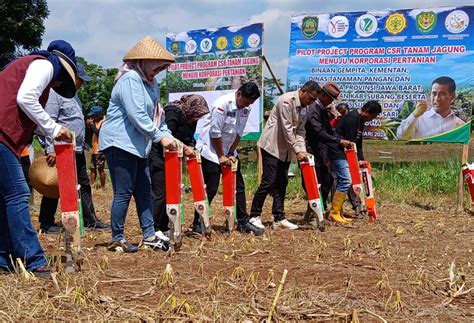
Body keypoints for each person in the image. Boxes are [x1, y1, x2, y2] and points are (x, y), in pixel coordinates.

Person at [99, 36, 190, 253]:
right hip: (120, 143)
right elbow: (138, 115)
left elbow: (157, 118)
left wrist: (174, 141)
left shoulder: (151, 84)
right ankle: (117, 238)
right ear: (144, 61)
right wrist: (160, 138)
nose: (158, 70)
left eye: (162, 67)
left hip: (139, 146)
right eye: (156, 66)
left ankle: (149, 234)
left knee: (144, 190)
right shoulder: (130, 78)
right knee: (123, 191)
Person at [0, 40, 77, 276]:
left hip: (6, 139)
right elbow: (26, 99)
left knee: (5, 198)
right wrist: (54, 129)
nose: (58, 84)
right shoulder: (45, 65)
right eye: (61, 80)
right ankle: (32, 258)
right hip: (2, 136)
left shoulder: (27, 65)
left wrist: (48, 133)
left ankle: (3, 259)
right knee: (17, 194)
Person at [39, 63, 110, 234]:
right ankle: (46, 222)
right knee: (54, 184)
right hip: (61, 149)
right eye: (80, 80)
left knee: (83, 184)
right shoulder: (55, 95)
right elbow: (49, 122)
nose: (82, 83)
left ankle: (90, 219)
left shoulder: (74, 96)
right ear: (71, 77)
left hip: (76, 149)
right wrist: (51, 150)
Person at [195, 82, 264, 235]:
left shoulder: (247, 107)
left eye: (250, 103)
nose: (246, 106)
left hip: (228, 151)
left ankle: (243, 222)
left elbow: (239, 132)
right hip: (211, 151)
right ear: (239, 94)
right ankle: (198, 222)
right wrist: (220, 156)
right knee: (210, 188)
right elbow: (215, 133)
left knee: (238, 186)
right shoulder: (222, 104)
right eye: (245, 102)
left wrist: (231, 153)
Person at [249, 80, 319, 231]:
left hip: (286, 150)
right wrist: (297, 150)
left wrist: (301, 149)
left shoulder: (305, 109)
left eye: (314, 100)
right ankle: (254, 216)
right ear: (303, 90)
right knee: (268, 181)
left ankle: (279, 218)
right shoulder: (286, 101)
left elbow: (300, 131)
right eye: (311, 98)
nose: (312, 102)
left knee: (282, 183)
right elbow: (287, 129)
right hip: (272, 147)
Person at [149, 94, 209, 240]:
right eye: (196, 113)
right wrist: (183, 147)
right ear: (190, 107)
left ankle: (164, 226)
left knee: (172, 192)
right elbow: (165, 136)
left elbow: (189, 137)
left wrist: (191, 147)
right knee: (160, 192)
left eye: (198, 115)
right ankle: (153, 228)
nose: (196, 118)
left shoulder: (190, 117)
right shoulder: (172, 112)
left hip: (174, 156)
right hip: (158, 154)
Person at [304, 81, 352, 224]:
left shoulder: (323, 110)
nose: (331, 102)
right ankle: (314, 215)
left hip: (322, 151)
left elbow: (328, 131)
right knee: (316, 183)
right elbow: (318, 131)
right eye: (330, 99)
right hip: (312, 150)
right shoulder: (313, 109)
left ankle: (316, 212)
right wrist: (338, 141)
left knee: (327, 181)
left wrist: (338, 140)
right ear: (323, 95)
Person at [329, 100, 382, 223]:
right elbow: (349, 141)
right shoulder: (352, 118)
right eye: (372, 116)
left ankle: (338, 212)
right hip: (338, 152)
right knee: (345, 180)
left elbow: (358, 143)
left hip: (346, 152)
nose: (372, 119)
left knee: (345, 181)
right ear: (367, 111)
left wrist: (361, 159)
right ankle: (335, 212)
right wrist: (355, 160)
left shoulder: (360, 121)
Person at [397, 76, 464, 139]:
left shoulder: (459, 124)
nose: (437, 98)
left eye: (442, 94)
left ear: (452, 96)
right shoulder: (418, 119)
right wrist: (414, 115)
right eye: (434, 94)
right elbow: (401, 136)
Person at [86, 106, 107, 189]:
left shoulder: (104, 121)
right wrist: (89, 125)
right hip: (94, 149)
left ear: (98, 114)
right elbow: (92, 133)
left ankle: (102, 187)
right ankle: (92, 185)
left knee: (100, 169)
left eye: (94, 115)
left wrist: (92, 126)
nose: (92, 117)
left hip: (101, 150)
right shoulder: (96, 122)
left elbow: (100, 133)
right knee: (92, 168)